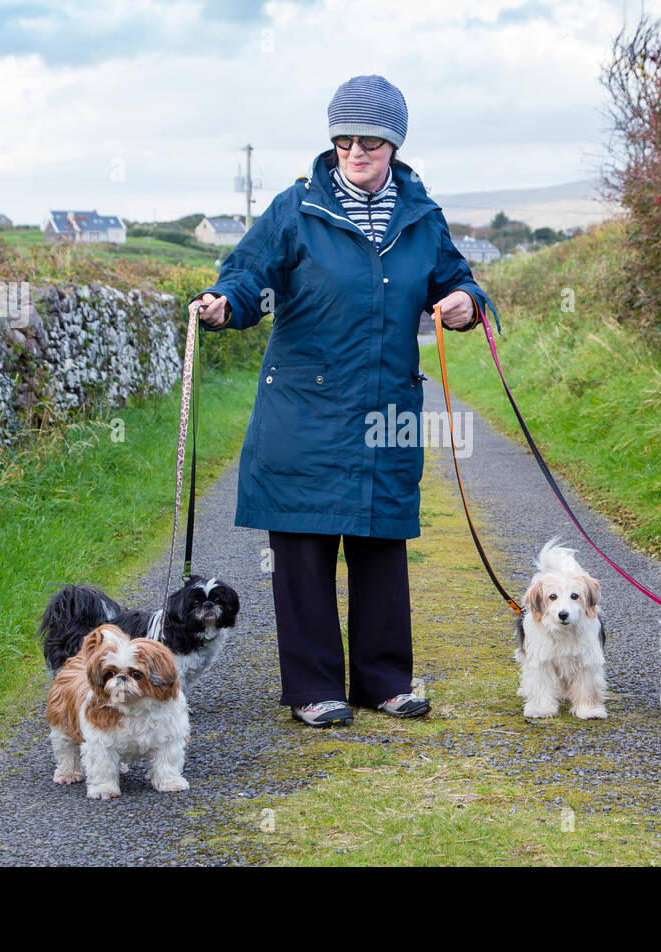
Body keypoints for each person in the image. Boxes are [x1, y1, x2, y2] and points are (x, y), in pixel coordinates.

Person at [188, 74, 492, 728]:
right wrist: (224, 305)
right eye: (346, 140)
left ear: (393, 146)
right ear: (333, 144)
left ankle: (383, 681)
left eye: (372, 142)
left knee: (382, 544)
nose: (357, 152)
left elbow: (456, 281)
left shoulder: (421, 215)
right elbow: (247, 278)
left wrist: (467, 304)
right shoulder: (295, 210)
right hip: (303, 410)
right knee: (303, 547)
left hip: (387, 410)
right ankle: (313, 688)